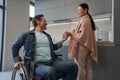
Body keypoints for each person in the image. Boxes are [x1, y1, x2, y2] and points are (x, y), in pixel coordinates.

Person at [12, 14, 78, 80]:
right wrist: (17, 61)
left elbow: (53, 47)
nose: (46, 23)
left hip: (52, 62)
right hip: (36, 65)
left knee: (73, 66)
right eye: (44, 21)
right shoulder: (27, 35)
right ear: (38, 22)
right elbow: (15, 46)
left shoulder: (47, 36)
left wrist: (62, 41)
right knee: (50, 71)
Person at [63, 3, 98, 80]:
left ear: (85, 10)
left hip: (82, 46)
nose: (78, 11)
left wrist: (70, 34)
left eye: (79, 9)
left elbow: (81, 36)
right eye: (77, 10)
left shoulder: (84, 21)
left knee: (79, 67)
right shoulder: (88, 20)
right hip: (88, 46)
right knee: (88, 68)